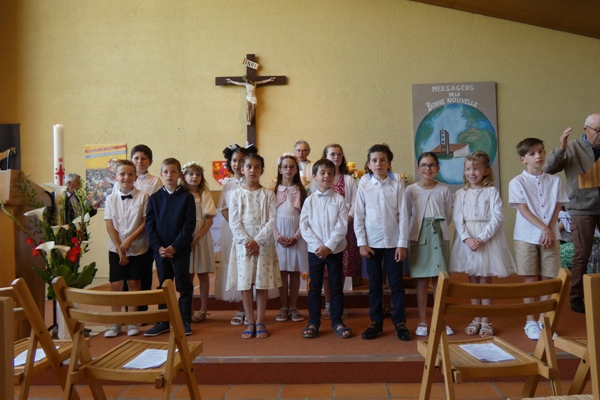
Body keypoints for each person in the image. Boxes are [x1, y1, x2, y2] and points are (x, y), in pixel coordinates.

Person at [449, 151, 516, 338]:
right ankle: (476, 317)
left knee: (485, 280)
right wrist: (467, 238)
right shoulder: (460, 194)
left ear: (486, 171)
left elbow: (498, 217)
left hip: (487, 240)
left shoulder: (491, 192)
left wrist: (482, 238)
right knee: (473, 280)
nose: (472, 173)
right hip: (467, 241)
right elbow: (458, 218)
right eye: (468, 169)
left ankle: (486, 319)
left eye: (476, 169)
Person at [509, 138, 569, 340]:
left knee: (548, 278)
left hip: (550, 235)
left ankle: (545, 320)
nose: (539, 156)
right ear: (523, 159)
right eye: (532, 153)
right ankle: (530, 321)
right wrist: (544, 228)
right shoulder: (517, 182)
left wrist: (549, 230)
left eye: (541, 151)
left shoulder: (555, 181)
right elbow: (523, 209)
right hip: (526, 236)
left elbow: (557, 206)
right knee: (530, 278)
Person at [543, 114, 600, 313]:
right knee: (582, 253)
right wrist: (561, 148)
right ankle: (576, 295)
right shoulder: (573, 147)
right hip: (582, 207)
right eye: (597, 131)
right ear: (586, 129)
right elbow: (548, 168)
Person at [354, 144, 412, 341]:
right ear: (369, 164)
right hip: (371, 243)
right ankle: (376, 322)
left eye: (382, 160)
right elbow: (359, 215)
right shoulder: (364, 183)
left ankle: (399, 322)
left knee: (396, 283)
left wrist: (402, 244)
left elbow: (403, 215)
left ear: (389, 163)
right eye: (374, 160)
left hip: (393, 242)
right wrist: (362, 243)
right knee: (375, 284)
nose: (378, 164)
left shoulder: (396, 183)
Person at [227, 153, 281, 339]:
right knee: (246, 282)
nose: (253, 170)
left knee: (261, 282)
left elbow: (272, 220)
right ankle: (249, 320)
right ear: (242, 169)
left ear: (262, 170)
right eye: (249, 167)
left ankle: (260, 320)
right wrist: (247, 241)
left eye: (257, 167)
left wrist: (257, 241)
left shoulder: (269, 194)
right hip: (243, 243)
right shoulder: (235, 194)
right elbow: (234, 221)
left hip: (263, 242)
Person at [144, 158, 196, 337]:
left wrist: (175, 246)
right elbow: (150, 225)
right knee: (164, 285)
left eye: (173, 171)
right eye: (166, 172)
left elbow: (189, 225)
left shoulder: (187, 198)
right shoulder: (155, 198)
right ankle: (163, 320)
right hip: (160, 251)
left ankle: (184, 320)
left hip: (179, 249)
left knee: (183, 284)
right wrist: (158, 247)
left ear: (179, 174)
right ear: (161, 174)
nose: (169, 175)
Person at [300, 159, 350, 339]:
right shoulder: (309, 201)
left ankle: (337, 321)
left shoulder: (339, 200)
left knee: (336, 287)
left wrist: (328, 246)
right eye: (322, 173)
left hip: (334, 250)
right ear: (314, 176)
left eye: (330, 173)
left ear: (334, 176)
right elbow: (304, 226)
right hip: (315, 251)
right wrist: (318, 246)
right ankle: (313, 322)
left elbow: (342, 226)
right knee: (314, 287)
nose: (326, 176)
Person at [406, 152, 454, 338]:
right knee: (422, 281)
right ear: (418, 169)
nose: (428, 169)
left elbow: (448, 214)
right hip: (419, 237)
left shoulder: (444, 190)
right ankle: (422, 321)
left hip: (439, 236)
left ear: (438, 168)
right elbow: (406, 214)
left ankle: (440, 320)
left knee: (439, 280)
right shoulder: (410, 190)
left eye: (432, 165)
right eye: (424, 165)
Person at [311, 144, 359, 319]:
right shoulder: (318, 179)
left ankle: (338, 305)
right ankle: (328, 304)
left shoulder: (348, 179)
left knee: (340, 268)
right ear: (325, 156)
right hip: (322, 231)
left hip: (343, 229)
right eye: (332, 154)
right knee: (324, 270)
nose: (336, 157)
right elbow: (314, 203)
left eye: (339, 154)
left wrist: (347, 218)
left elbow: (354, 202)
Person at [103, 160, 149, 338]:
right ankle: (115, 322)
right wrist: (120, 248)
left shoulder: (143, 196)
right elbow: (109, 225)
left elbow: (145, 222)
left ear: (135, 177)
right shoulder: (110, 199)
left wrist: (129, 240)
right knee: (116, 284)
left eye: (130, 174)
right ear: (115, 177)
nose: (126, 177)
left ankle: (132, 321)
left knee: (134, 283)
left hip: (137, 246)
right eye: (122, 174)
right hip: (116, 248)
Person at [215, 143, 258, 326]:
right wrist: (236, 226)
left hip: (252, 229)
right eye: (234, 161)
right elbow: (223, 208)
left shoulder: (254, 184)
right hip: (232, 231)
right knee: (237, 267)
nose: (237, 164)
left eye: (241, 161)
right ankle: (241, 310)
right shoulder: (228, 185)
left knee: (251, 268)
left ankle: (251, 310)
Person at [273, 153, 308, 323]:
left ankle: (293, 306)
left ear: (296, 170)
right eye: (285, 166)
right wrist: (277, 236)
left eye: (292, 167)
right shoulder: (272, 190)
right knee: (281, 271)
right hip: (278, 235)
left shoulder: (301, 191)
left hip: (296, 235)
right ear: (280, 170)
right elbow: (268, 217)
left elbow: (306, 216)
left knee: (294, 271)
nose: (288, 169)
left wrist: (296, 236)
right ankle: (283, 306)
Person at [182, 162, 217, 323]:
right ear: (184, 176)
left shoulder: (204, 194)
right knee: (187, 274)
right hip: (184, 236)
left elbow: (209, 220)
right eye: (190, 174)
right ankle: (187, 309)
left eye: (197, 174)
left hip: (201, 236)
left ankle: (203, 309)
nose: (194, 177)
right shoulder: (180, 193)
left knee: (203, 274)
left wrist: (196, 238)